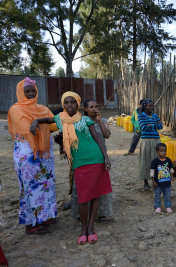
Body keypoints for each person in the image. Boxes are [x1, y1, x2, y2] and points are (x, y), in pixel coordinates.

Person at [30, 91, 112, 245]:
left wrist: (106, 157)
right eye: (66, 102)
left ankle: (90, 228)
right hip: (79, 163)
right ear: (63, 105)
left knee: (95, 195)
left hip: (96, 159)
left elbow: (98, 140)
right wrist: (35, 121)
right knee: (83, 198)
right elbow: (46, 120)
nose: (69, 105)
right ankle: (83, 229)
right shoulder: (60, 119)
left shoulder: (86, 119)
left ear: (78, 104)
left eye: (72, 102)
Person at [7, 77, 57, 235]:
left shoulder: (42, 108)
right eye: (27, 91)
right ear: (20, 92)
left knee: (47, 184)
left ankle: (45, 217)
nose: (30, 93)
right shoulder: (16, 109)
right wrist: (43, 123)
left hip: (45, 155)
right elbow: (28, 129)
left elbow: (55, 125)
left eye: (32, 91)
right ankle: (31, 224)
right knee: (30, 188)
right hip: (28, 156)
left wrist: (40, 121)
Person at [70, 99, 113, 222]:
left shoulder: (103, 120)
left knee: (99, 185)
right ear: (85, 109)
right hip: (85, 159)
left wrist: (99, 121)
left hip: (100, 158)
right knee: (84, 187)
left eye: (96, 106)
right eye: (91, 107)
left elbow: (107, 135)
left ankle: (101, 213)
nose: (95, 109)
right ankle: (82, 215)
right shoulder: (80, 122)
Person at [138, 99, 163, 190]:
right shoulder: (141, 116)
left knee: (156, 161)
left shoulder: (155, 116)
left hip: (156, 141)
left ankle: (155, 180)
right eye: (150, 106)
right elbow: (143, 127)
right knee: (145, 161)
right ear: (144, 106)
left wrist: (151, 125)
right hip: (146, 141)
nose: (152, 107)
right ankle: (145, 182)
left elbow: (161, 126)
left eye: (152, 106)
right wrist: (154, 125)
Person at [150, 143, 174, 214]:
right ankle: (157, 207)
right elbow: (152, 172)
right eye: (161, 151)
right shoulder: (154, 161)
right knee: (157, 195)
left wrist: (172, 177)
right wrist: (153, 181)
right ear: (157, 152)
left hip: (167, 183)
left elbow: (171, 169)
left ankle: (168, 207)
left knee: (167, 195)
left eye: (165, 151)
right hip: (158, 183)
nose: (163, 153)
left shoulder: (168, 160)